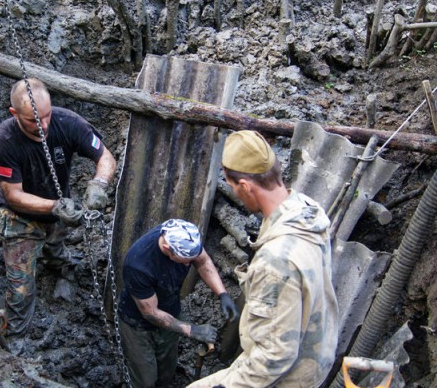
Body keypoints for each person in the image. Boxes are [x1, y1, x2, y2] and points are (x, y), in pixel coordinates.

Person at [189, 130, 339, 388]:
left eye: (233, 185)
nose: (235, 192)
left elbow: (273, 358)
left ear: (246, 186)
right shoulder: (304, 209)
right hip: (313, 352)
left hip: (290, 376)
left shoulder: (275, 263)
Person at [0, 77, 117, 336]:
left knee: (56, 246)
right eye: (33, 120)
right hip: (20, 219)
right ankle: (15, 339)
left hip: (59, 208)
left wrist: (99, 184)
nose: (43, 125)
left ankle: (60, 267)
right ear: (14, 114)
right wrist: (56, 206)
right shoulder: (3, 140)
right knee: (20, 288)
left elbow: (105, 156)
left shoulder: (66, 122)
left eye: (46, 116)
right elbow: (13, 195)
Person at [118, 218, 239, 388]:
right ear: (168, 249)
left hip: (171, 312)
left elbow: (203, 261)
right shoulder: (139, 264)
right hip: (137, 324)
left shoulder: (185, 237)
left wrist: (223, 294)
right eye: (185, 260)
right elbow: (150, 313)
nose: (190, 264)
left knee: (167, 371)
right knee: (145, 380)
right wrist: (192, 330)